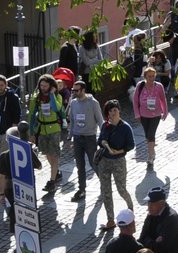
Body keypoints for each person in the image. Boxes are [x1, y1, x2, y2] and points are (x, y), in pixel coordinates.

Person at [94, 100, 134, 233]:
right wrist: (104, 144)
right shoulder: (106, 126)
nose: (113, 113)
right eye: (110, 111)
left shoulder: (125, 127)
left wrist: (119, 151)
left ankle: (131, 212)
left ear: (119, 111)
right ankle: (110, 219)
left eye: (115, 110)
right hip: (104, 161)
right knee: (106, 191)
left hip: (118, 162)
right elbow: (100, 140)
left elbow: (130, 145)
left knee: (121, 189)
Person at [27, 74, 66, 193]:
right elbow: (31, 115)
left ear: (51, 86)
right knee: (48, 155)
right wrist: (31, 132)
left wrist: (52, 95)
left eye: (45, 85)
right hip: (42, 129)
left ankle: (52, 181)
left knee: (54, 155)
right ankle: (56, 172)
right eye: (41, 85)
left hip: (54, 129)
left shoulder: (57, 96)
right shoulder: (36, 98)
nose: (43, 87)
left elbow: (56, 108)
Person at [0, 125, 42, 219]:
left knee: (12, 215)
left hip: (9, 188)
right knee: (29, 213)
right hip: (27, 187)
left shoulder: (4, 156)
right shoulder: (28, 150)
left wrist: (1, 194)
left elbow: (1, 177)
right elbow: (39, 166)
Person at [67, 80, 103, 199]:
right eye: (73, 90)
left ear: (83, 90)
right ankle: (81, 190)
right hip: (77, 138)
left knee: (94, 163)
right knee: (80, 165)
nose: (74, 92)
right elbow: (71, 120)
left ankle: (104, 184)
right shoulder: (73, 103)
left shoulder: (93, 103)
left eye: (76, 90)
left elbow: (100, 120)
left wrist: (103, 138)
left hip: (89, 138)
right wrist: (70, 136)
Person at [132, 65, 170, 171]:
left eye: (153, 76)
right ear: (145, 77)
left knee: (151, 134)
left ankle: (150, 156)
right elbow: (135, 101)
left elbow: (163, 99)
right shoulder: (140, 85)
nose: (151, 78)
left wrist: (165, 112)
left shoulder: (159, 86)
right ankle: (152, 148)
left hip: (156, 114)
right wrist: (137, 115)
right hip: (143, 114)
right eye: (149, 76)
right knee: (147, 135)